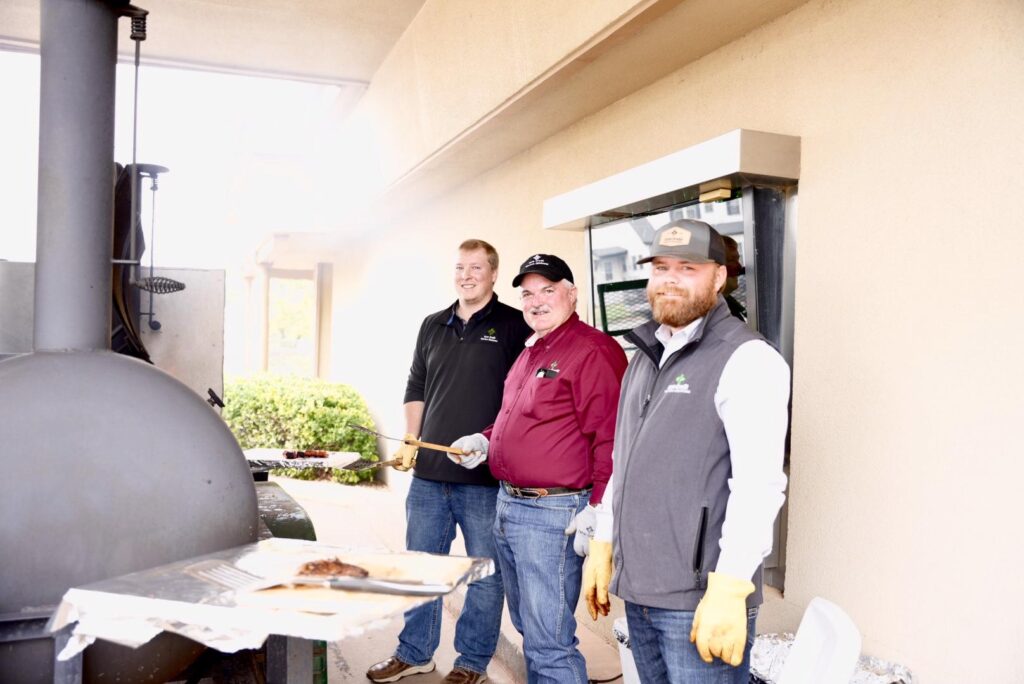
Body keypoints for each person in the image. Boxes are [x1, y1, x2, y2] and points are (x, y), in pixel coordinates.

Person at [583, 219, 790, 683]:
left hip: (699, 601)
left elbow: (759, 485)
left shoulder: (747, 359)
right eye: (660, 267)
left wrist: (731, 586)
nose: (670, 278)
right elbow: (626, 460)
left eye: (688, 267)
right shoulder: (644, 355)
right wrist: (603, 539)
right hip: (641, 592)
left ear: (718, 277)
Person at [449, 254, 627, 683]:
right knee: (533, 630)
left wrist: (598, 511)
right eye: (528, 293)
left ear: (571, 293)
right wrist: (485, 441)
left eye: (548, 290)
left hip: (553, 515)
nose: (536, 301)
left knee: (549, 641)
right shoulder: (533, 348)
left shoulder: (593, 351)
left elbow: (613, 439)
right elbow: (518, 417)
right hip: (509, 505)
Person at [367, 239, 532, 684]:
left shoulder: (515, 326)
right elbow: (416, 383)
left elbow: (523, 399)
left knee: (483, 576)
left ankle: (470, 663)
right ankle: (415, 652)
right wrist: (410, 439)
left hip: (483, 478)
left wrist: (492, 443)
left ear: (494, 274)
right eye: (460, 267)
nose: (466, 275)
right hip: (429, 478)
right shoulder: (431, 324)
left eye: (476, 267)